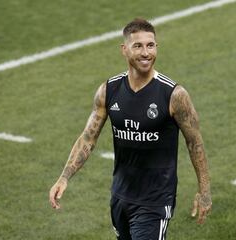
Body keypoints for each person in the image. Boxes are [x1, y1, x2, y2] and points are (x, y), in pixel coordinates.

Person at [49, 18, 212, 239]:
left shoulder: (174, 95)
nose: (146, 53)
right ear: (124, 50)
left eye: (150, 45)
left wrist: (204, 191)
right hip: (120, 197)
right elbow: (88, 138)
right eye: (138, 46)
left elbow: (195, 143)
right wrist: (64, 177)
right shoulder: (109, 90)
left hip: (155, 201)